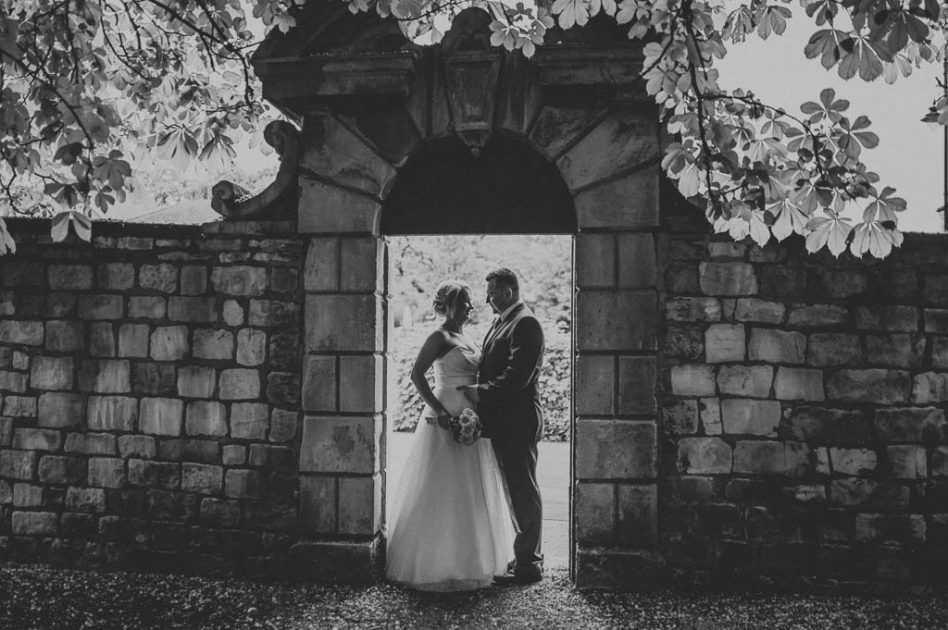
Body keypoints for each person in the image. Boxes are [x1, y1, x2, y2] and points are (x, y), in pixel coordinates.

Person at [385, 280, 516, 592]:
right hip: (445, 416)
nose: (471, 306)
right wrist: (441, 411)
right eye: (466, 301)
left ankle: (472, 559)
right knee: (441, 486)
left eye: (471, 302)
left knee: (471, 488)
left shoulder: (468, 336)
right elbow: (417, 375)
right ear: (450, 304)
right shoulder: (439, 335)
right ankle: (435, 562)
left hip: (472, 414)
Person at [458, 268, 545, 585]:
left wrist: (480, 392)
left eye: (492, 293)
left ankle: (529, 564)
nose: (487, 299)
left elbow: (517, 377)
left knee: (522, 489)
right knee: (513, 488)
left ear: (508, 292)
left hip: (518, 421)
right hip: (504, 421)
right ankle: (524, 556)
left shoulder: (526, 323)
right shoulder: (504, 321)